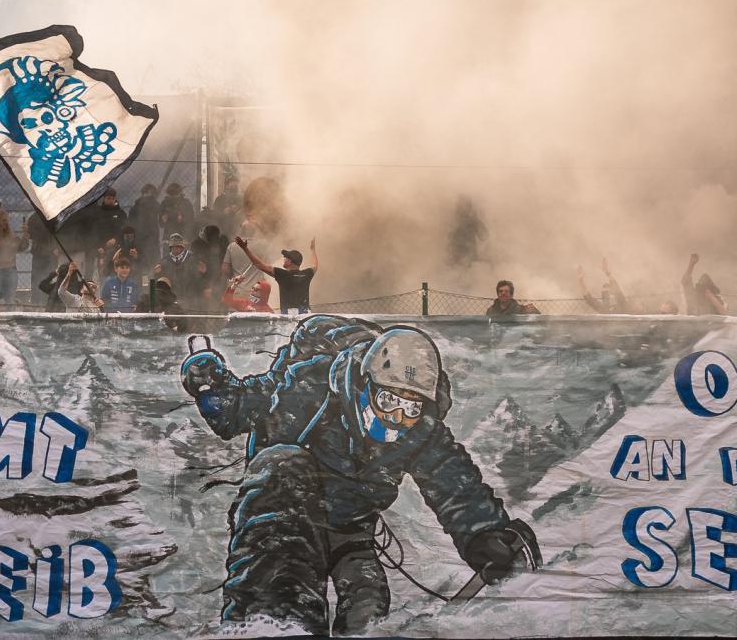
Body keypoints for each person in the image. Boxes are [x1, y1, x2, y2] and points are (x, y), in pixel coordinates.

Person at [180, 316, 539, 635]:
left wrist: (484, 535)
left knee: (367, 605)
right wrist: (209, 382)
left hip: (348, 529)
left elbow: (453, 482)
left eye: (410, 407)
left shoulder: (421, 429)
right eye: (388, 402)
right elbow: (239, 409)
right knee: (283, 462)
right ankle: (272, 621)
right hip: (286, 515)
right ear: (366, 384)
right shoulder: (310, 387)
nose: (395, 418)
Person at [236, 236, 318, 314]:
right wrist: (313, 250)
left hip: (290, 317)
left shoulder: (283, 274)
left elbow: (259, 265)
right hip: (306, 314)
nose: (284, 259)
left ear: (290, 261)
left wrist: (245, 248)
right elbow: (315, 265)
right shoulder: (306, 274)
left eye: (285, 258)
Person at [155, 233, 197, 298]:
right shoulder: (165, 260)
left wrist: (202, 272)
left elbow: (196, 277)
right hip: (171, 295)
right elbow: (161, 281)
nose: (175, 250)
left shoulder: (191, 258)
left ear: (182, 247)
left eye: (177, 247)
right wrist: (157, 273)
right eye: (173, 247)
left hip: (189, 295)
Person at [129, 184, 162, 265]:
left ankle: (152, 276)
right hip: (141, 238)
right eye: (148, 193)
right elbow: (130, 223)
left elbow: (161, 222)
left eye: (151, 193)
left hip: (151, 238)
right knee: (143, 261)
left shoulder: (156, 205)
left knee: (152, 262)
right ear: (144, 193)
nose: (150, 195)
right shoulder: (136, 207)